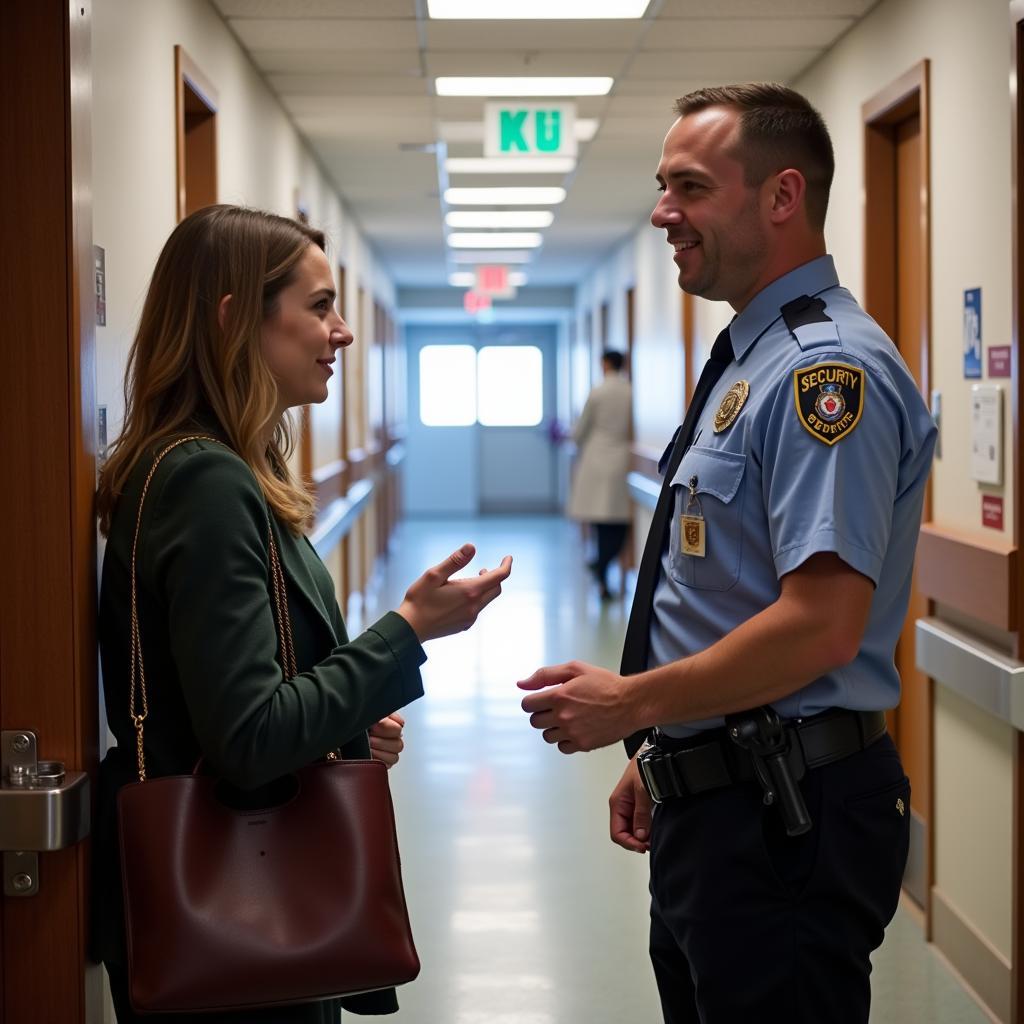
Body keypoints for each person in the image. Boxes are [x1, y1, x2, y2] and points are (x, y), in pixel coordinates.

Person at [518, 83, 936, 1023]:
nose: (664, 212)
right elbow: (726, 591)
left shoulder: (824, 373)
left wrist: (632, 702)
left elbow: (821, 626)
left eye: (690, 188)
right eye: (664, 187)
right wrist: (667, 746)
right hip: (720, 794)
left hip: (784, 818)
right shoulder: (749, 361)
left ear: (782, 197)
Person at [93, 205, 512, 1023]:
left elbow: (241, 692)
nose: (342, 331)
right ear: (234, 318)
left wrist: (348, 722)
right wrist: (406, 630)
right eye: (319, 306)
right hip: (233, 913)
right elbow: (248, 739)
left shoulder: (213, 468)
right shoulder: (204, 484)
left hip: (239, 905)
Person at [566, 349, 632, 599]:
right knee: (618, 523)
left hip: (595, 460)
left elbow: (580, 432)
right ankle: (602, 568)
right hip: (620, 461)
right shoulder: (630, 392)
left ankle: (601, 569)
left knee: (600, 525)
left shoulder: (597, 391)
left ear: (605, 364)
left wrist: (571, 436)